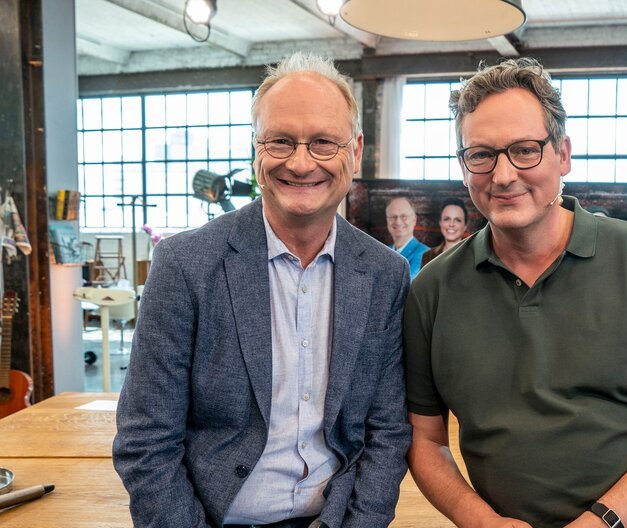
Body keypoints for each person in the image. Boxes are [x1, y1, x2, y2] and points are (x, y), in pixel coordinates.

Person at [404, 57, 627, 528]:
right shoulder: (432, 289)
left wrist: (602, 521)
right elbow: (425, 440)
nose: (504, 174)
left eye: (525, 150)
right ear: (464, 166)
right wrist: (479, 520)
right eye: (481, 155)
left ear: (563, 154)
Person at [113, 53, 412, 528]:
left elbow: (387, 431)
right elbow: (145, 439)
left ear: (354, 151)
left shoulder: (384, 273)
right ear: (256, 150)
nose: (299, 162)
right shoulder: (185, 265)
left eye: (322, 143)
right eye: (280, 141)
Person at [385, 195, 429, 280]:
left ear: (414, 220)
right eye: (393, 217)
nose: (398, 222)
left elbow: (406, 285)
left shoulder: (426, 254)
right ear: (387, 220)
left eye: (404, 216)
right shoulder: (382, 252)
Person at [420, 197, 468, 268]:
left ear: (465, 226)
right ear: (440, 223)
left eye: (458, 220)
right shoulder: (428, 256)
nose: (451, 224)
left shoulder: (473, 256)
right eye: (447, 219)